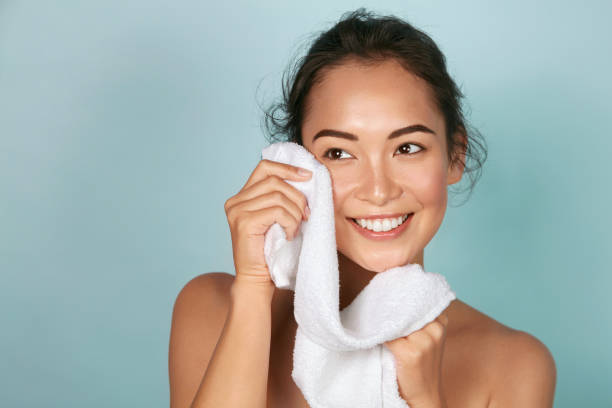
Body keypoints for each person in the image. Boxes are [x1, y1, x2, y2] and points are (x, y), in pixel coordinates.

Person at [168, 8, 557, 408]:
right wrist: (252, 289)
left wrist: (425, 399)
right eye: (338, 152)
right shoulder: (213, 309)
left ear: (454, 157)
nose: (378, 191)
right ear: (299, 164)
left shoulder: (514, 364)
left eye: (407, 148)